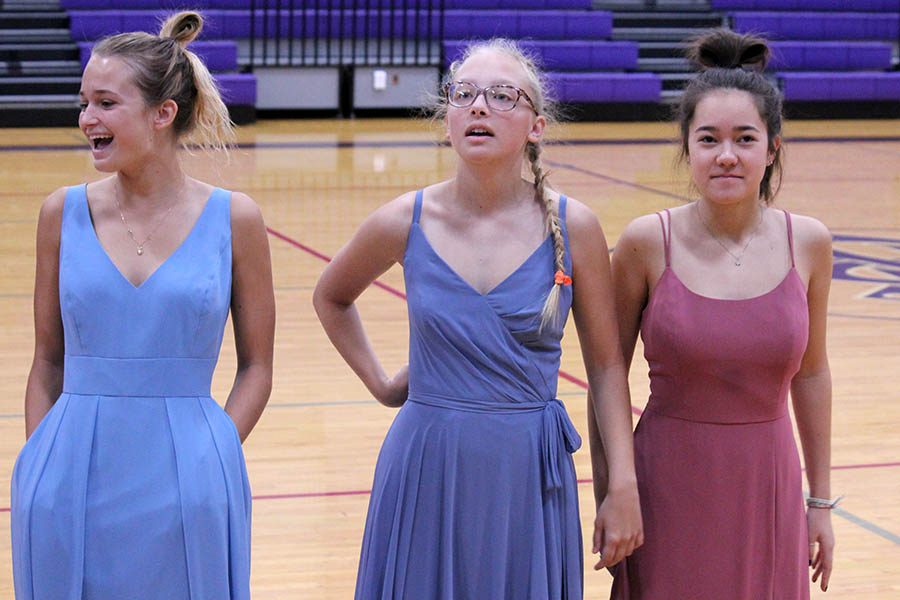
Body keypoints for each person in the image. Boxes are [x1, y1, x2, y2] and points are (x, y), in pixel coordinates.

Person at [314, 38, 642, 599]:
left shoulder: (575, 226)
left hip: (527, 471)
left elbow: (608, 369)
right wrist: (383, 383)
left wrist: (623, 486)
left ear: (536, 126)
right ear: (447, 118)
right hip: (426, 462)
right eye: (463, 94)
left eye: (501, 96)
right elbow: (331, 296)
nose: (479, 107)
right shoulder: (404, 218)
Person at [10, 11, 275, 599]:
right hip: (73, 471)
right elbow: (47, 361)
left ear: (162, 113)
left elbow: (257, 366)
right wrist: (39, 465)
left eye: (105, 103)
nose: (86, 120)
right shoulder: (61, 212)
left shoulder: (237, 219)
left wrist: (216, 453)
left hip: (191, 470)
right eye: (84, 103)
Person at [603, 29, 836, 599]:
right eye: (708, 139)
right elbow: (607, 373)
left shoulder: (808, 243)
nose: (726, 155)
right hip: (665, 481)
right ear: (687, 147)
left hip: (768, 481)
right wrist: (617, 487)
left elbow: (811, 373)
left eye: (744, 138)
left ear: (772, 147)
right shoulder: (645, 242)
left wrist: (821, 502)